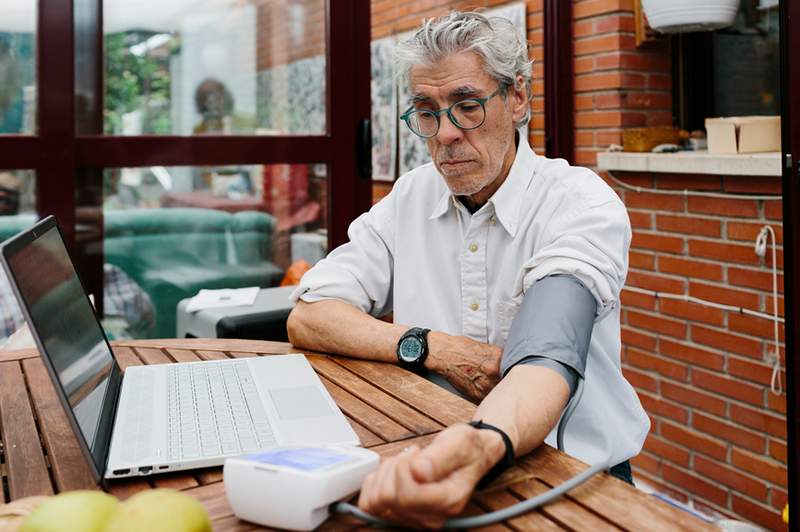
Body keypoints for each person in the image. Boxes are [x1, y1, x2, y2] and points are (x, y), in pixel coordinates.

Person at [287, 11, 649, 529]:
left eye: (467, 106)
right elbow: (310, 313)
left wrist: (483, 442)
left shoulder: (580, 201)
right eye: (427, 112)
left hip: (575, 479)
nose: (446, 134)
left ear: (518, 98)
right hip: (438, 457)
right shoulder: (411, 195)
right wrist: (433, 346)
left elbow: (547, 348)